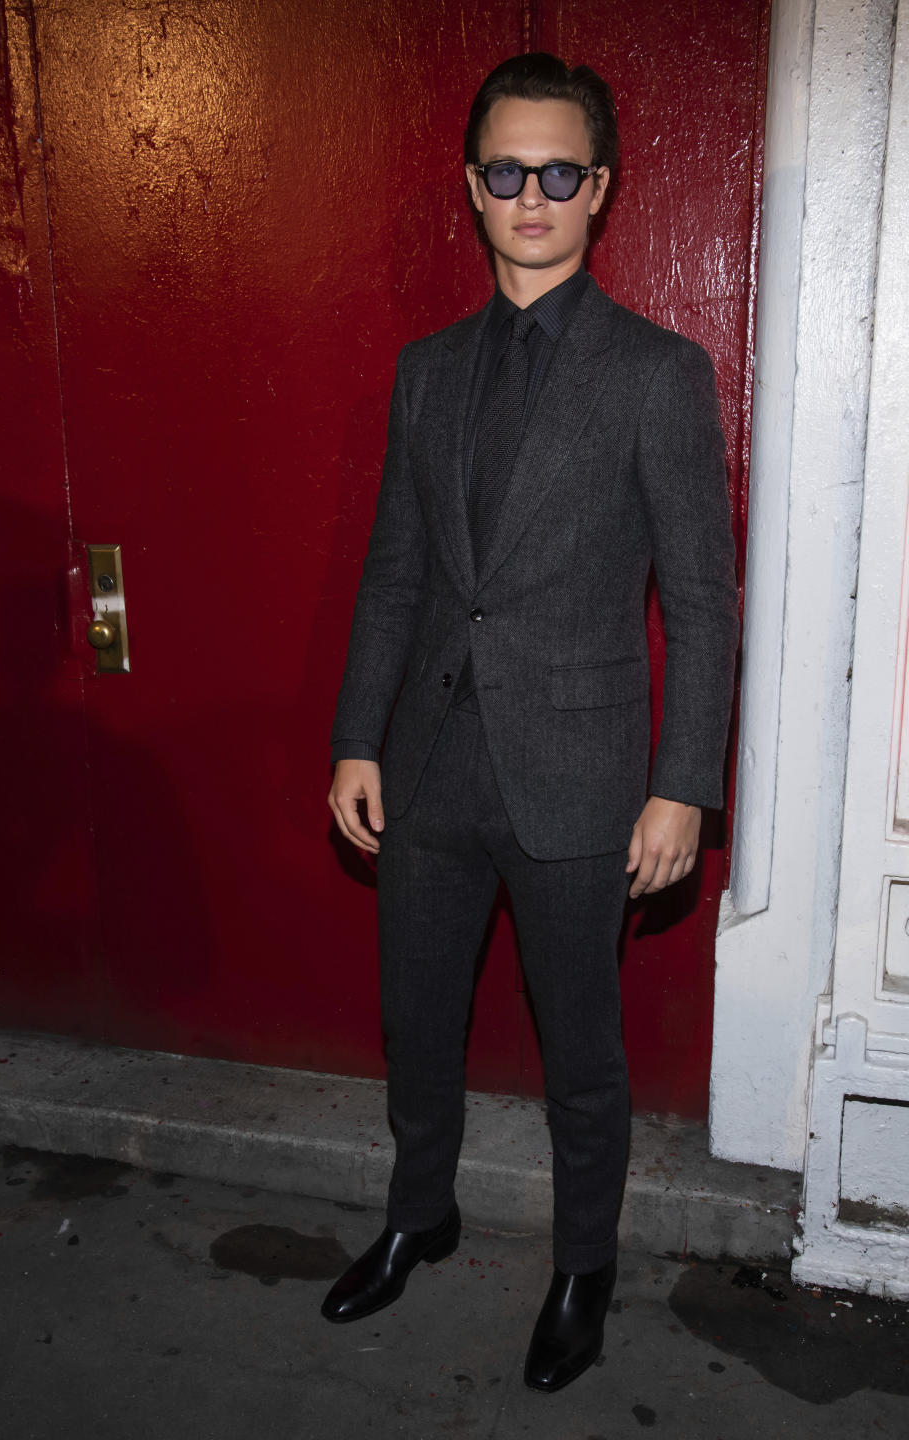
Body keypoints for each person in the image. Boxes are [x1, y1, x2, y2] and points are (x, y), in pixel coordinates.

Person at [322, 52, 739, 1392]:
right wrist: (356, 737)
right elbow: (396, 567)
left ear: (601, 188)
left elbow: (705, 598)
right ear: (474, 188)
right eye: (508, 173)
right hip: (433, 764)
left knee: (583, 1054)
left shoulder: (658, 372)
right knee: (417, 1019)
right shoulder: (428, 371)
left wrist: (684, 785)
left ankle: (584, 1268)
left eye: (562, 172)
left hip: (583, 776)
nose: (534, 195)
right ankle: (418, 1215)